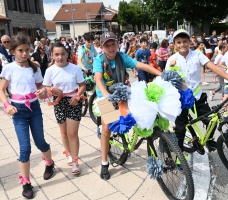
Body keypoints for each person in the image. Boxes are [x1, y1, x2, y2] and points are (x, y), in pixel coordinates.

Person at [93, 32, 161, 180]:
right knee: (106, 128)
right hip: (105, 96)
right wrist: (107, 96)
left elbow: (141, 65)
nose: (111, 48)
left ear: (118, 44)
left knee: (142, 111)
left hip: (122, 92)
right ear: (102, 47)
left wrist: (160, 74)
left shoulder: (122, 57)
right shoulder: (99, 60)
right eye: (107, 45)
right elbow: (98, 80)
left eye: (113, 44)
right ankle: (104, 163)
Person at [166, 29, 228, 154]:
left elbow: (213, 67)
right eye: (178, 42)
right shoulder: (171, 59)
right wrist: (170, 67)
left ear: (190, 42)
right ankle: (179, 157)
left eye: (184, 41)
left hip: (197, 95)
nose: (182, 44)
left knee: (211, 119)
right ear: (174, 44)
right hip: (180, 99)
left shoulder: (197, 55)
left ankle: (209, 140)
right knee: (180, 130)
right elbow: (167, 81)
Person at [0, 33, 54, 199]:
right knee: (25, 149)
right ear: (13, 51)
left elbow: (41, 88)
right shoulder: (9, 68)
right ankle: (26, 182)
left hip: (35, 109)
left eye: (26, 50)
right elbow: (1, 90)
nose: (24, 54)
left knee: (40, 142)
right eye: (20, 50)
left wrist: (42, 92)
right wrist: (7, 105)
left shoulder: (34, 67)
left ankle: (50, 164)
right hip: (18, 111)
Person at [43, 42, 86, 175]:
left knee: (72, 133)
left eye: (62, 54)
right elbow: (45, 87)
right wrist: (51, 89)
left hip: (74, 101)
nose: (60, 57)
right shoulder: (50, 70)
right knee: (63, 132)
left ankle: (75, 160)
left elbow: (83, 85)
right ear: (52, 55)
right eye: (56, 54)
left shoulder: (75, 68)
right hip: (59, 102)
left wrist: (78, 96)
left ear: (68, 54)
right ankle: (68, 153)